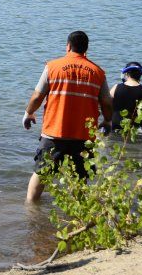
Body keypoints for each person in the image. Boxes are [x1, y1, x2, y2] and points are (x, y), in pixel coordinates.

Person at [22, 31, 112, 203]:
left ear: (68, 46)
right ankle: (78, 216)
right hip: (83, 135)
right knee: (81, 177)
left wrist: (28, 113)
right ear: (86, 48)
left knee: (41, 172)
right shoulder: (98, 72)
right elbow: (107, 102)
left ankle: (31, 209)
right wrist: (107, 121)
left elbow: (37, 96)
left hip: (54, 132)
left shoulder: (53, 67)